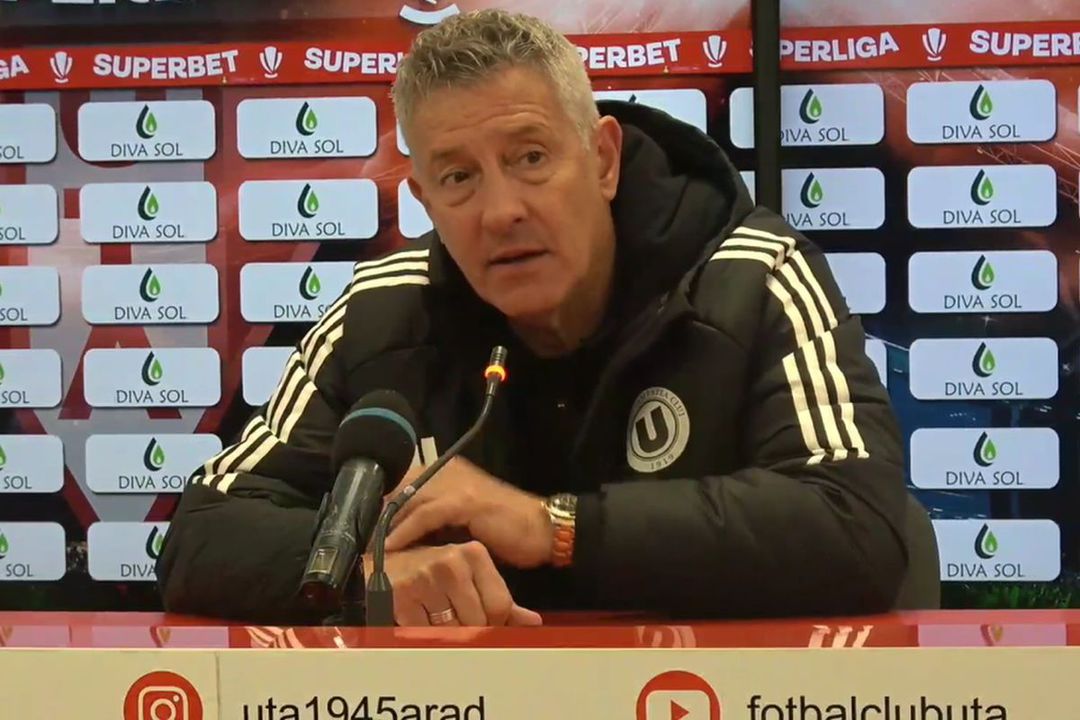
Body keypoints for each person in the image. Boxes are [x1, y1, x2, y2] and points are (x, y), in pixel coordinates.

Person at [157, 9, 920, 626]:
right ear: (424, 200)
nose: (501, 211)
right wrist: (370, 573)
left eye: (530, 158)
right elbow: (202, 532)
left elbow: (858, 524)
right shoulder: (381, 311)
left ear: (604, 159)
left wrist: (552, 527)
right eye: (458, 176)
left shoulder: (755, 274)